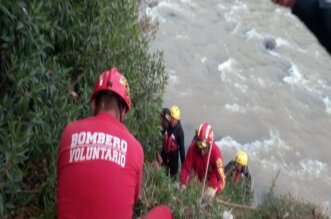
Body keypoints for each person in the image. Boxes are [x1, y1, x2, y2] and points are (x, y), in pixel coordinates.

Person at [57, 67, 172, 219]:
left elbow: (63, 177)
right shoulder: (135, 148)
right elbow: (134, 197)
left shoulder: (69, 133)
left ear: (94, 103)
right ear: (123, 111)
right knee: (164, 212)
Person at [180, 122, 226, 201]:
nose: (201, 151)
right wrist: (183, 182)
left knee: (208, 195)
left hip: (210, 180)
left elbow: (222, 180)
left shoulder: (216, 154)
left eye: (204, 147)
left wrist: (215, 190)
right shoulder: (193, 148)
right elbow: (185, 168)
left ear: (210, 144)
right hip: (196, 175)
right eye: (199, 146)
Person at [155, 105, 185, 179]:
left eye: (175, 119)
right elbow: (157, 140)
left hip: (173, 160)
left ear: (178, 120)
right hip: (163, 156)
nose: (173, 121)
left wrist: (184, 168)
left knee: (173, 178)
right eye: (172, 118)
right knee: (161, 176)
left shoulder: (180, 132)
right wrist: (157, 154)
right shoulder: (166, 125)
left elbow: (182, 150)